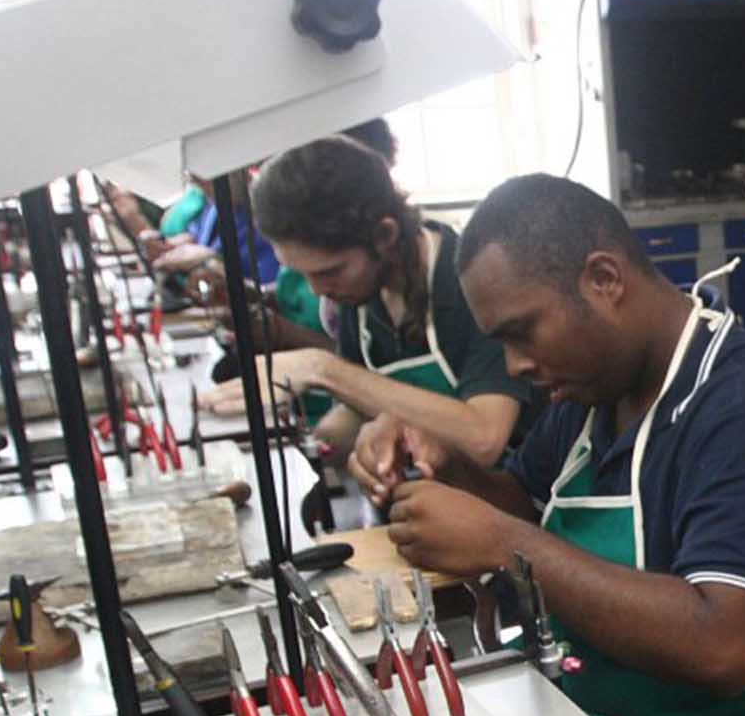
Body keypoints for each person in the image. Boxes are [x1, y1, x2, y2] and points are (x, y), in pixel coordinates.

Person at [354, 174, 745, 716]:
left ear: (604, 279)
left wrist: (503, 543)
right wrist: (449, 467)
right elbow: (529, 505)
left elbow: (722, 647)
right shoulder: (593, 389)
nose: (515, 365)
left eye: (522, 332)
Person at [204, 134, 536, 470]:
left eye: (330, 271)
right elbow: (362, 405)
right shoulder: (362, 290)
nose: (317, 290)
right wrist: (309, 444)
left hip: (507, 490)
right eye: (304, 274)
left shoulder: (471, 282)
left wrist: (322, 370)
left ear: (385, 235)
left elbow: (483, 438)